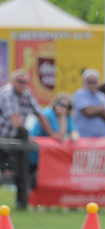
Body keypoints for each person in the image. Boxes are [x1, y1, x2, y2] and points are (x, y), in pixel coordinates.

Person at [0, 70, 60, 208]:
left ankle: (22, 203)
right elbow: (14, 118)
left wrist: (52, 134)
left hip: (14, 140)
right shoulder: (7, 94)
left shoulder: (27, 94)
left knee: (17, 172)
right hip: (2, 139)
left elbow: (39, 114)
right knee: (8, 172)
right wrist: (24, 134)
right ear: (12, 82)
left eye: (25, 82)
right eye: (19, 82)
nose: (22, 85)